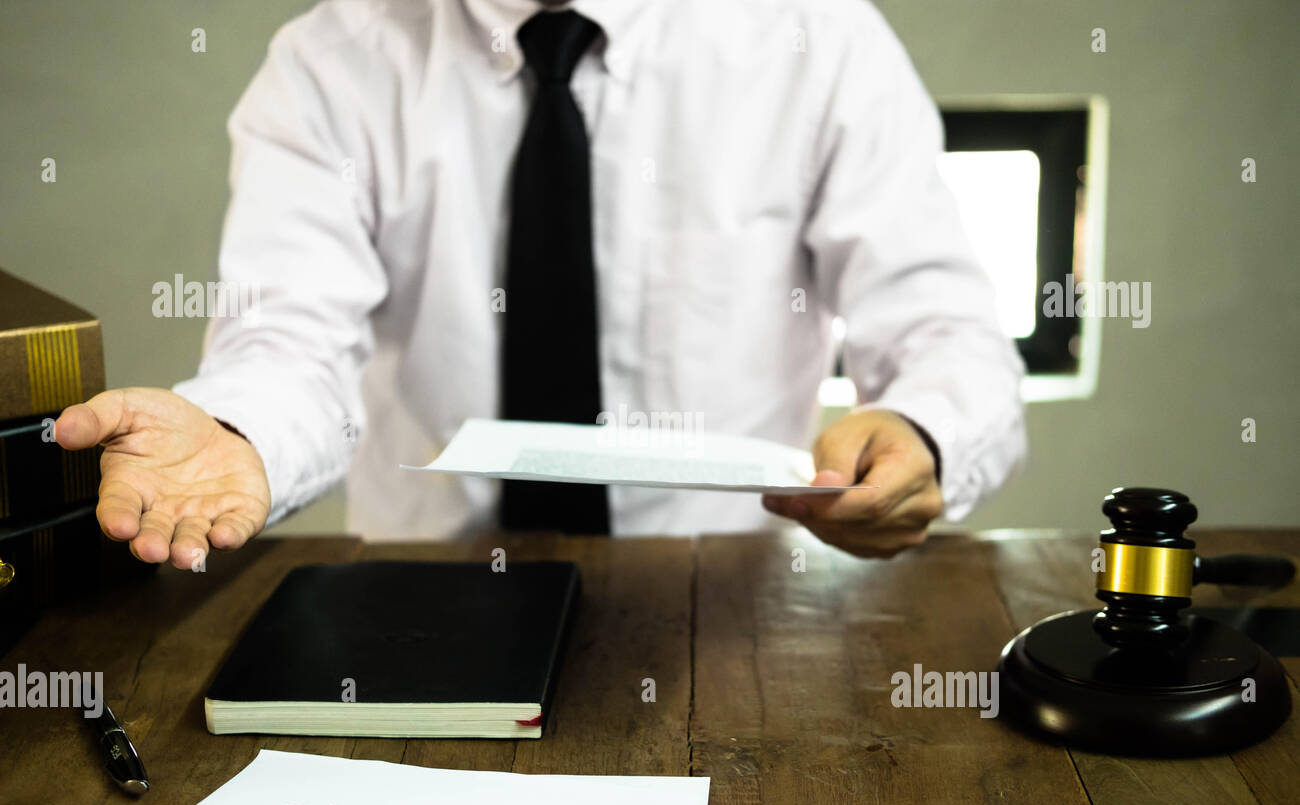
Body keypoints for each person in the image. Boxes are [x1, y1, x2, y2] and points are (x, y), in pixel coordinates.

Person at [55, 0, 1025, 567]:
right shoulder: (330, 59)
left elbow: (945, 325)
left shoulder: (819, 37)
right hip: (430, 589)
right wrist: (232, 432)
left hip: (733, 590)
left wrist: (925, 433)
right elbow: (289, 341)